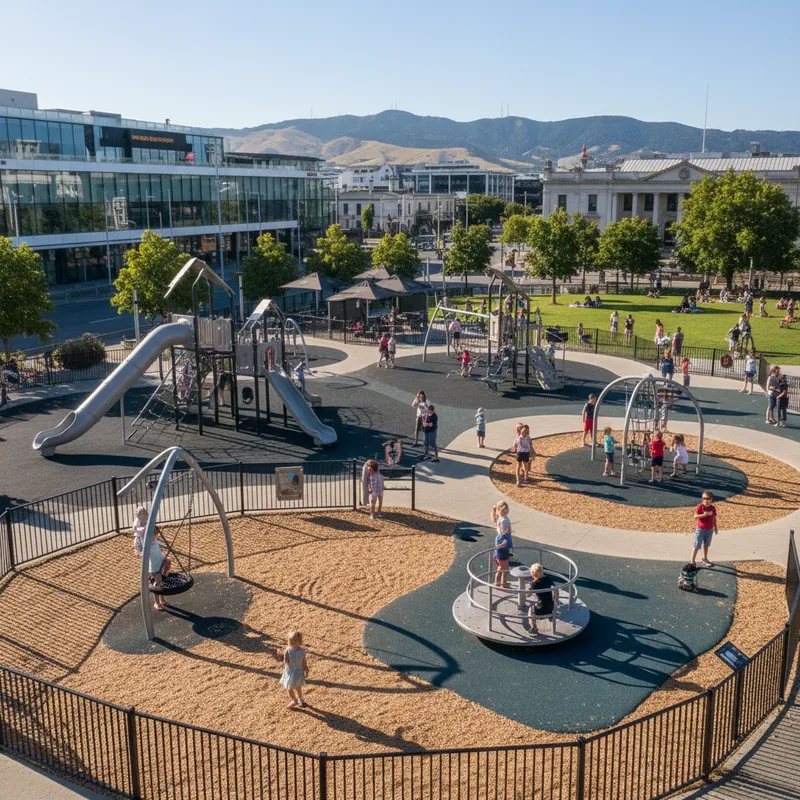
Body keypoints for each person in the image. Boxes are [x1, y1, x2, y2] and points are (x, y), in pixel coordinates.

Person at [280, 631, 309, 709]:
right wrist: (282, 657)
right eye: (290, 641)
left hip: (297, 672)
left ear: (299, 642)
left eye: (294, 641)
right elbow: (285, 660)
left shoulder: (302, 651)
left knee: (293, 688)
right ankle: (299, 699)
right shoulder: (287, 650)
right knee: (294, 687)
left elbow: (303, 661)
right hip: (290, 672)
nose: (292, 642)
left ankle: (296, 700)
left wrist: (306, 668)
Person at [527, 562, 558, 635]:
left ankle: (533, 628)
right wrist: (556, 600)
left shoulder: (533, 584)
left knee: (530, 610)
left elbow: (528, 594)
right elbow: (556, 590)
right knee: (545, 603)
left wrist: (528, 591)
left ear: (532, 574)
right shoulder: (548, 578)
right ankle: (550, 616)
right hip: (551, 606)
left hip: (541, 609)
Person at [147, 528, 172, 612]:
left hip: (160, 564)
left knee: (161, 583)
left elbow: (162, 544)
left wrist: (167, 544)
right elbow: (144, 555)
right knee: (157, 585)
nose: (154, 539)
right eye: (153, 537)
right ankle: (156, 602)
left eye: (155, 537)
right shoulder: (148, 547)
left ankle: (162, 600)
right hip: (154, 568)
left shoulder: (156, 542)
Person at [691, 491, 718, 567]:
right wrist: (704, 515)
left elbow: (714, 518)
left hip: (709, 529)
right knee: (697, 545)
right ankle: (692, 561)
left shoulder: (712, 508)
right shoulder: (700, 506)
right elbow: (695, 516)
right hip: (701, 529)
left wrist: (715, 527)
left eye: (708, 498)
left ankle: (705, 558)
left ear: (711, 499)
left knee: (706, 545)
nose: (706, 500)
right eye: (704, 498)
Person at [491, 501, 513, 588]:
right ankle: (502, 583)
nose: (505, 512)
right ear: (500, 511)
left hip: (502, 540)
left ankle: (499, 582)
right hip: (503, 541)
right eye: (504, 511)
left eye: (506, 510)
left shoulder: (500, 517)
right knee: (505, 567)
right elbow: (504, 531)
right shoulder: (503, 520)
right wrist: (506, 537)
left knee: (501, 566)